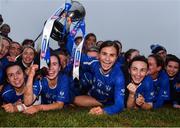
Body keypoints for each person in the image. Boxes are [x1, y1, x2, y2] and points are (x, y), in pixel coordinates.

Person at [74, 40, 125, 115]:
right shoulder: (93, 63)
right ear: (98, 55)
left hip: (109, 101)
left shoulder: (119, 77)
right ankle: (100, 104)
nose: (107, 59)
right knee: (75, 99)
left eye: (112, 55)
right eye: (104, 54)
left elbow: (120, 105)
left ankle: (106, 105)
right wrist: (67, 36)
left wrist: (104, 111)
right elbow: (76, 54)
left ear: (116, 58)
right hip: (94, 98)